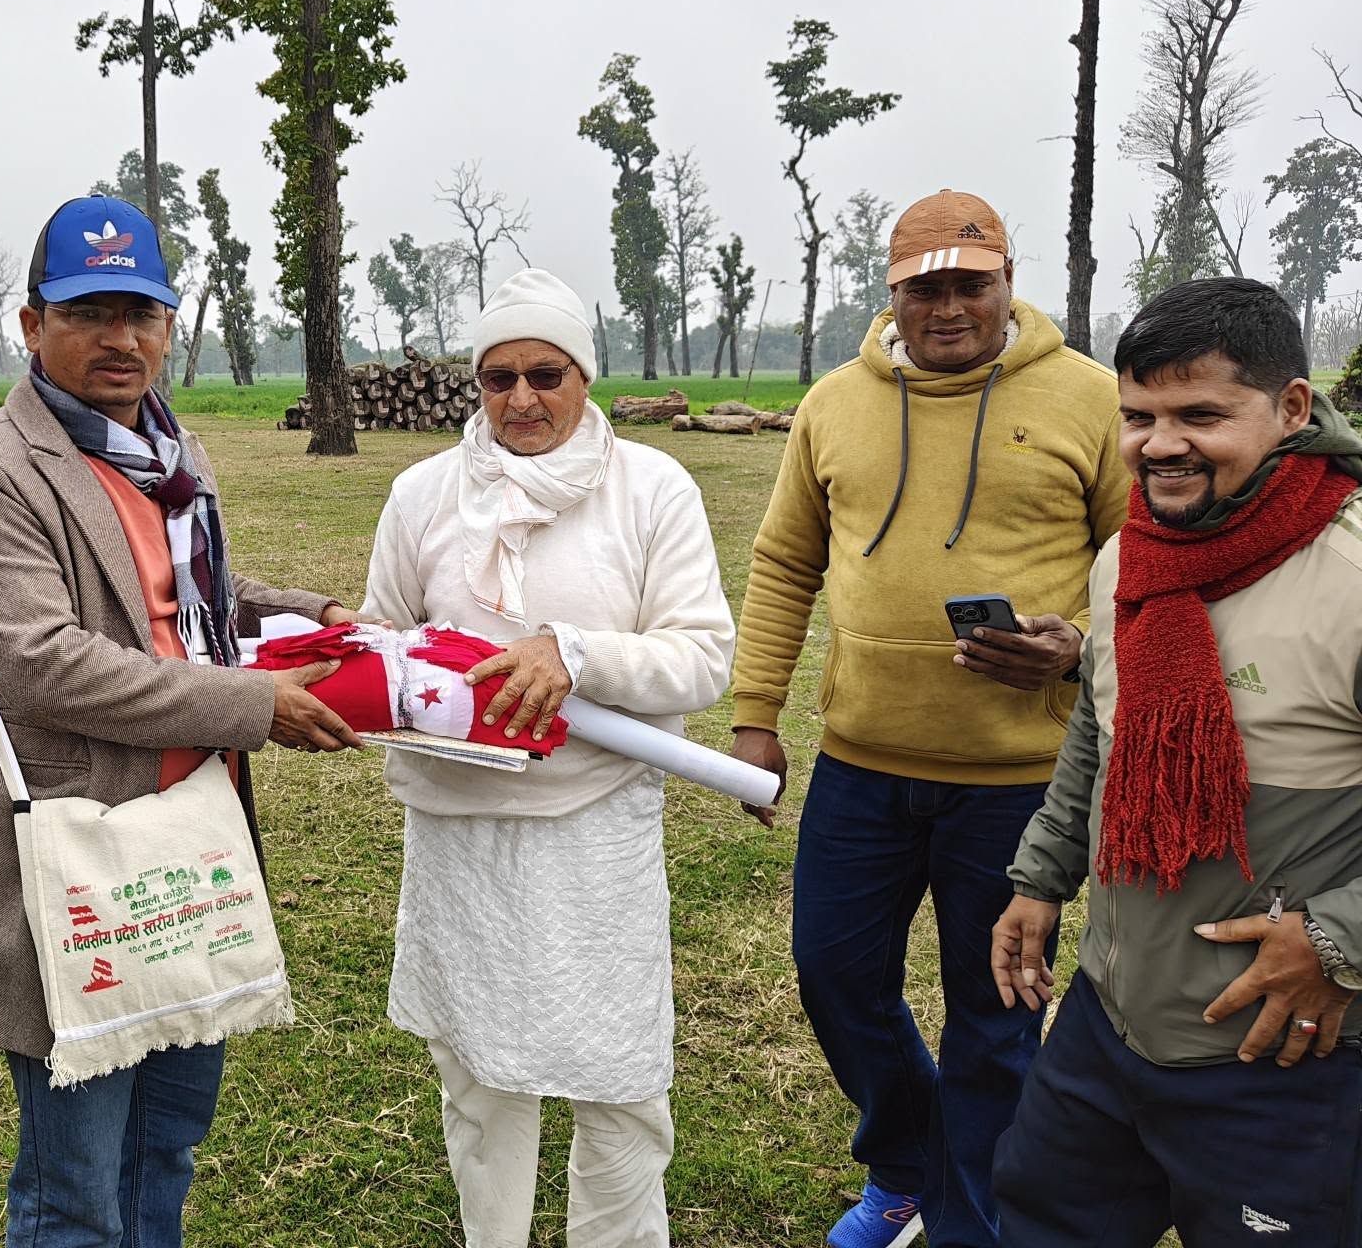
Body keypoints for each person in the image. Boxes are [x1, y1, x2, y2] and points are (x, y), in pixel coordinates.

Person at [0, 194, 361, 1248]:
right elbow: (43, 665)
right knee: (74, 1182)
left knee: (164, 1144)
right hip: (86, 847)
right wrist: (253, 704)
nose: (120, 339)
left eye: (141, 312)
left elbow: (186, 590)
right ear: (31, 327)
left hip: (193, 839)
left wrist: (313, 615)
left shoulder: (169, 450)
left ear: (169, 325)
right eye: (87, 313)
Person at [728, 190, 1126, 1248]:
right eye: (923, 287)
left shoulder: (1089, 400)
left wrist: (1077, 647)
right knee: (833, 974)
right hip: (860, 766)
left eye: (968, 284)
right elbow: (781, 564)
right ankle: (904, 1167)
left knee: (993, 1020)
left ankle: (967, 1222)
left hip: (1016, 781)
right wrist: (754, 713)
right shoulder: (830, 404)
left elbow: (1140, 571)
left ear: (1007, 281)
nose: (946, 306)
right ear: (891, 291)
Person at [359, 268, 736, 1248]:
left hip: (593, 819)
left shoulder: (650, 488)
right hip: (456, 825)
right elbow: (378, 637)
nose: (520, 399)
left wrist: (571, 654)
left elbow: (700, 656)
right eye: (496, 379)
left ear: (583, 375)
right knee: (478, 1074)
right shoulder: (420, 495)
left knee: (616, 1075)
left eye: (544, 374)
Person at [993, 277, 1362, 1245]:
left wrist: (1336, 943)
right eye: (1137, 416)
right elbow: (1096, 731)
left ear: (1289, 408)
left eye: (1199, 414)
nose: (1158, 444)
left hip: (1278, 1061)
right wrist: (1040, 875)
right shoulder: (1132, 555)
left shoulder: (1348, 572)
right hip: (1106, 1025)